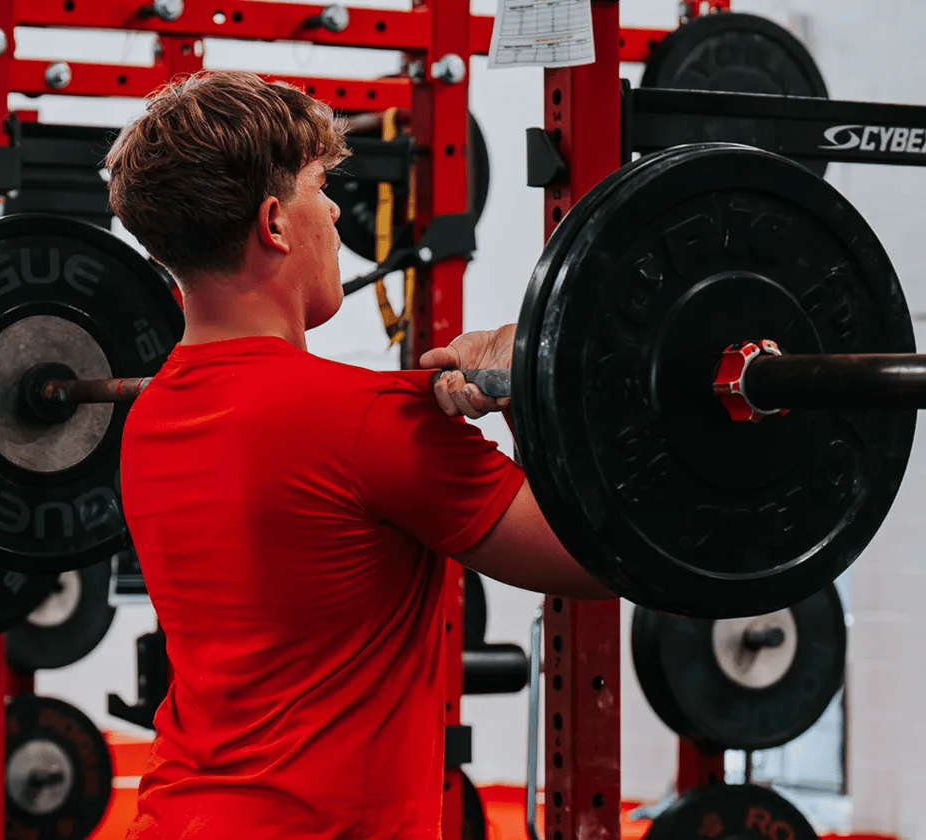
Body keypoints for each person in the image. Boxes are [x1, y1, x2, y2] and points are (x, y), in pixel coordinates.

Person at [105, 70, 616, 839]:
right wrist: (526, 395)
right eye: (321, 186)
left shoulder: (148, 417)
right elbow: (597, 557)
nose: (339, 209)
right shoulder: (368, 422)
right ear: (275, 223)